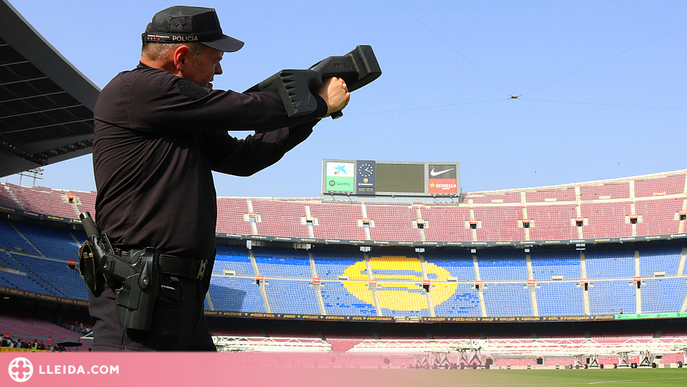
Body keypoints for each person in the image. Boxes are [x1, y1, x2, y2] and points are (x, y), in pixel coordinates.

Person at [89, 5, 349, 351]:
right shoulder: (138, 88)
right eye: (214, 59)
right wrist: (317, 104)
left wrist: (307, 117)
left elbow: (241, 158)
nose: (220, 69)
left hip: (176, 296)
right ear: (181, 57)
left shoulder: (176, 115)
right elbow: (240, 108)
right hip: (141, 294)